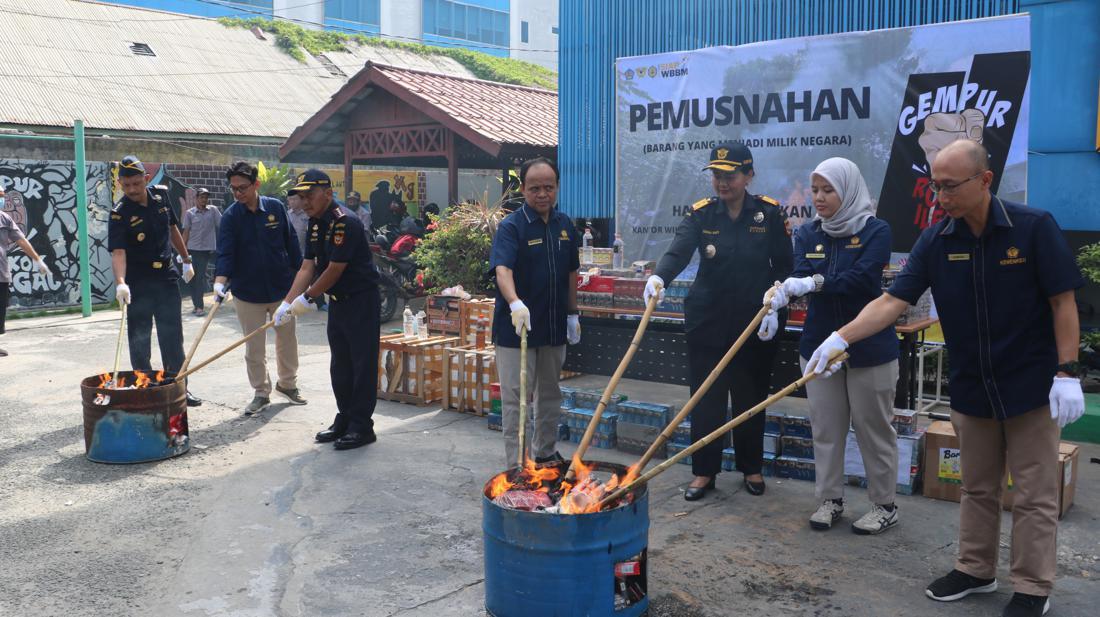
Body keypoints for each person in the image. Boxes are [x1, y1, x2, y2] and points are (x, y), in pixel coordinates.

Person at [805, 140, 1084, 617]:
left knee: (1035, 494)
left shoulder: (1033, 229)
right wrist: (840, 338)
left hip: (1031, 386)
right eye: (935, 186)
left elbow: (1064, 302)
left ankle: (1033, 587)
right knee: (976, 487)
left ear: (985, 180)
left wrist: (1066, 372)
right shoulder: (937, 241)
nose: (940, 196)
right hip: (972, 386)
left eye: (950, 186)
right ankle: (976, 569)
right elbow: (892, 302)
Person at [645, 143, 791, 500]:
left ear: (749, 175)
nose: (722, 183)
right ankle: (703, 472)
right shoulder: (701, 215)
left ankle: (751, 468)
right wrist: (660, 277)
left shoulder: (769, 215)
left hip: (754, 322)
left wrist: (777, 302)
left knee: (750, 397)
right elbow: (678, 251)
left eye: (730, 175)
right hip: (708, 321)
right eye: (716, 175)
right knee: (706, 398)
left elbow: (785, 268)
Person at [768, 157, 900, 534]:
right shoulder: (809, 233)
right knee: (825, 426)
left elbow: (861, 279)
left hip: (870, 346)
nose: (819, 198)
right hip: (817, 345)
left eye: (828, 190)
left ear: (849, 189)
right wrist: (778, 299)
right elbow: (798, 276)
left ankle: (884, 504)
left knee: (874, 427)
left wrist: (816, 283)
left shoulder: (877, 231)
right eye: (815, 190)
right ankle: (830, 499)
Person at [275, 169, 381, 450]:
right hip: (338, 302)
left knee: (361, 365)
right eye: (301, 196)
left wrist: (307, 298)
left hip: (361, 301)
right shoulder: (314, 224)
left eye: (310, 195)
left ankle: (362, 426)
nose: (305, 201)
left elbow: (335, 268)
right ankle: (344, 418)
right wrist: (287, 302)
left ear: (328, 193)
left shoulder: (345, 223)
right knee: (340, 365)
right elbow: (307, 266)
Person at [490, 157, 580, 466]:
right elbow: (502, 270)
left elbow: (571, 272)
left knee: (550, 394)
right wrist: (515, 303)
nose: (542, 194)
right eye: (535, 188)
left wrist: (572, 314)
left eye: (549, 188)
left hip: (554, 325)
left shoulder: (565, 225)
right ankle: (517, 464)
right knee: (517, 399)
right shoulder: (511, 227)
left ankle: (545, 453)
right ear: (523, 190)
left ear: (557, 188)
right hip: (518, 328)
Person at [214, 161, 306, 414]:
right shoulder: (231, 217)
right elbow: (225, 253)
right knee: (254, 347)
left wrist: (301, 280)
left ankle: (287, 384)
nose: (238, 193)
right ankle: (260, 392)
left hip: (281, 290)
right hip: (247, 293)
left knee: (287, 340)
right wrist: (220, 282)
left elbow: (292, 246)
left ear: (256, 184)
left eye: (243, 187)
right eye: (233, 189)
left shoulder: (275, 208)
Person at [108, 155, 200, 406]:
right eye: (126, 186)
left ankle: (178, 388)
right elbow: (118, 252)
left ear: (146, 179)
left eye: (136, 184)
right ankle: (145, 390)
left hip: (166, 278)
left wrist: (186, 259)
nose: (132, 190)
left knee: (172, 338)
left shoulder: (161, 197)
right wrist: (121, 282)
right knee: (140, 340)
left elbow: (172, 229)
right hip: (138, 283)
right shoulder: (119, 213)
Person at [0, 189, 49, 357]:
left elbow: (21, 240)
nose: (2, 199)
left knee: (0, 311)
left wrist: (37, 259)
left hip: (1, 273)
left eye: (2, 195)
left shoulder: (4, 219)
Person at [181, 187, 221, 316]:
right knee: (192, 278)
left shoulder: (213, 211)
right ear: (196, 198)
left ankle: (199, 307)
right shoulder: (190, 213)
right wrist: (182, 251)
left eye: (206, 197)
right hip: (191, 249)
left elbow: (223, 225)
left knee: (199, 277)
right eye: (201, 197)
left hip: (205, 250)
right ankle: (196, 304)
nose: (204, 200)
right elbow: (186, 232)